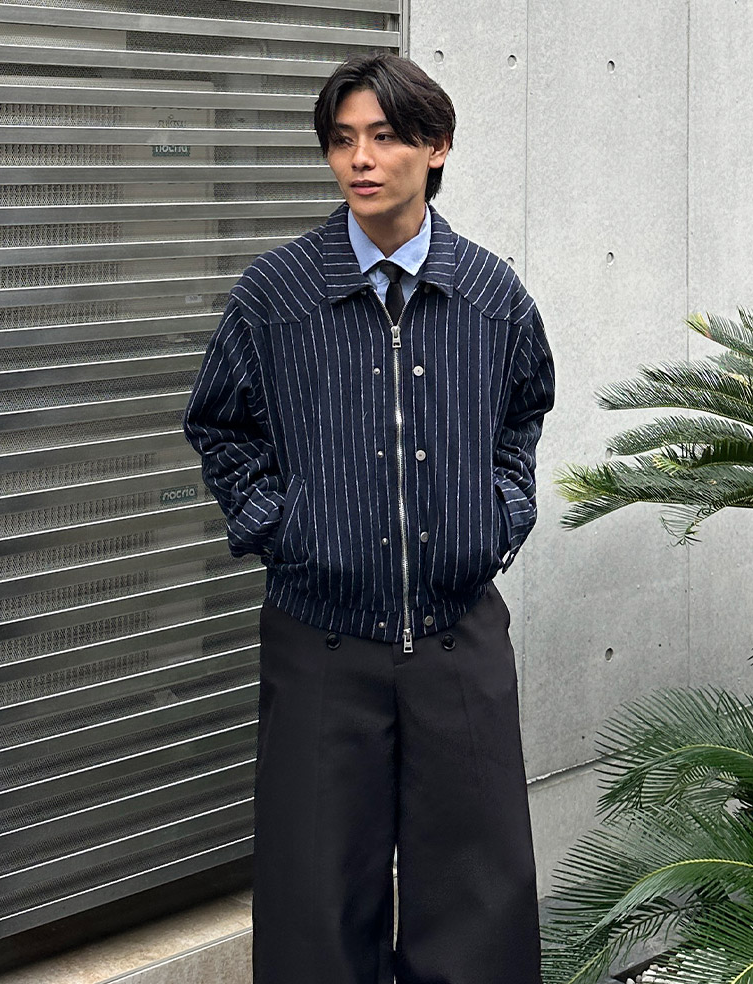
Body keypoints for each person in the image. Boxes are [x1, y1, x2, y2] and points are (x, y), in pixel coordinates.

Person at [183, 53, 555, 984]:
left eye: (385, 137)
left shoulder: (491, 293)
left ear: (436, 148)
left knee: (479, 904)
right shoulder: (276, 294)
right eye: (343, 139)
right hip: (320, 644)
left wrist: (497, 516)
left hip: (458, 640)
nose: (361, 159)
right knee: (314, 906)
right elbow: (219, 424)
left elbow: (523, 415)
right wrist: (285, 529)